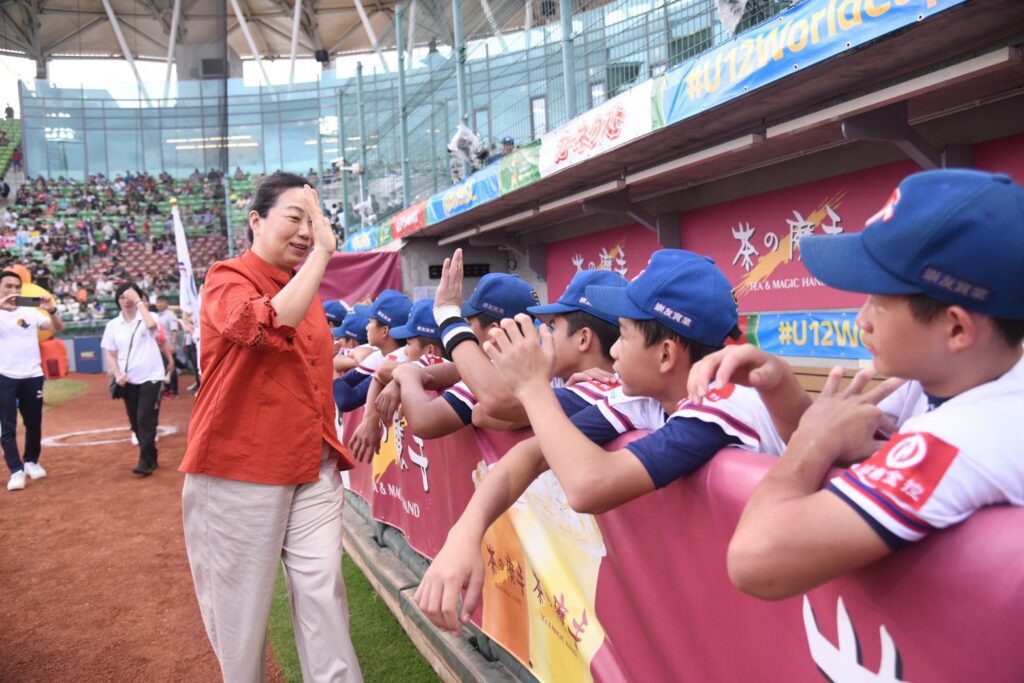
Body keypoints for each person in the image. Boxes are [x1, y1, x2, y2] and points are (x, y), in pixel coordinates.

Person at [414, 250, 785, 632]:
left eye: (623, 334)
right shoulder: (642, 395)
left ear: (666, 355)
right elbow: (528, 455)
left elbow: (588, 485)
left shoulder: (723, 401)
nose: (614, 351)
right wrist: (464, 533)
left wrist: (532, 387)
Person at [696, 169, 1024, 600]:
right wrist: (779, 386)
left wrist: (807, 443)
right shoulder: (945, 378)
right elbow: (839, 443)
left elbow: (756, 559)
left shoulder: (976, 434)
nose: (861, 319)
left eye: (879, 300)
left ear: (957, 329)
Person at [179, 172, 362, 682]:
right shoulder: (227, 275)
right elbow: (256, 329)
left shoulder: (301, 290)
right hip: (238, 467)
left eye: (314, 220)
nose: (307, 231)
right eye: (295, 217)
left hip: (311, 461)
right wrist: (323, 256)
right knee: (240, 619)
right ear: (256, 221)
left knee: (323, 593)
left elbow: (299, 363)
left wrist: (360, 365)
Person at [1, 270, 63, 491]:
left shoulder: (30, 311)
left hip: (32, 375)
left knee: (33, 422)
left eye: (17, 287)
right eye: (8, 286)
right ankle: (16, 471)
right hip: (5, 376)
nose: (13, 291)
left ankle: (31, 462)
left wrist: (51, 310)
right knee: (7, 425)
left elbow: (57, 328)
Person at [102, 282, 165, 476]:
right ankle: (151, 454)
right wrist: (117, 374)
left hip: (151, 376)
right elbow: (110, 353)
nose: (126, 301)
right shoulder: (113, 325)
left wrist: (139, 302)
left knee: (144, 417)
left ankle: (144, 461)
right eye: (122, 297)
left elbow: (152, 326)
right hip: (127, 380)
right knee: (135, 421)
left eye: (129, 297)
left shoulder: (149, 316)